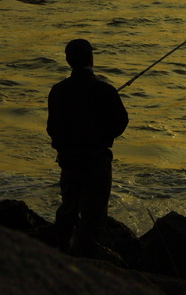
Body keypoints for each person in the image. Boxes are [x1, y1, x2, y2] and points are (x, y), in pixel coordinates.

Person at [47, 38, 129, 255]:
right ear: (91, 59)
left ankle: (61, 252)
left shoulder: (57, 91)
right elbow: (119, 125)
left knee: (68, 210)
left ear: (68, 60)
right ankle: (84, 263)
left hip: (68, 160)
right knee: (93, 217)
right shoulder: (105, 91)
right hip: (96, 161)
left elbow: (51, 128)